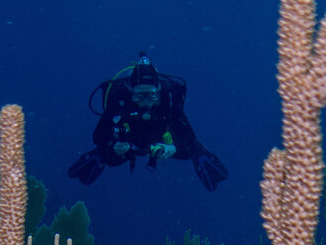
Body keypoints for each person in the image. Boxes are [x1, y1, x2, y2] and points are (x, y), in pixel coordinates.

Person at [69, 54, 228, 191]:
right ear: (130, 92)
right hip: (127, 143)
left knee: (190, 149)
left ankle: (204, 162)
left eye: (151, 96)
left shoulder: (168, 102)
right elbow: (99, 137)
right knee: (109, 156)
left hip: (162, 140)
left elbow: (189, 138)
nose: (146, 102)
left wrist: (173, 147)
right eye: (139, 96)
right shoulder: (119, 100)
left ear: (159, 91)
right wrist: (113, 147)